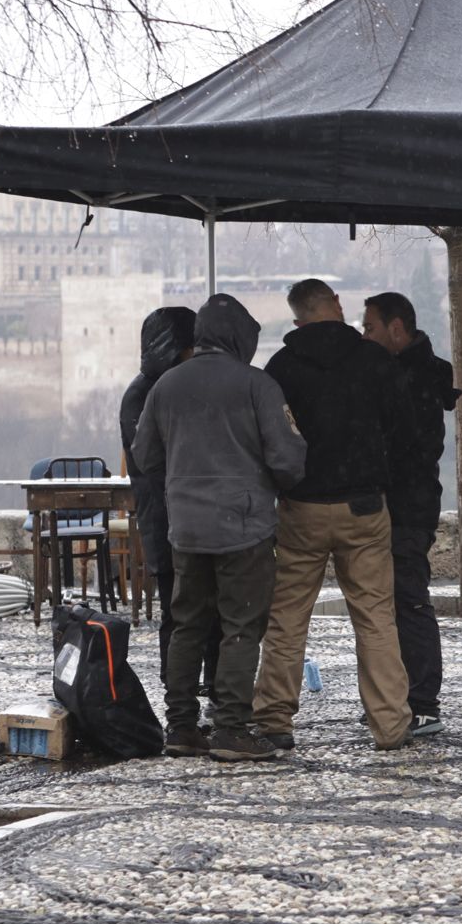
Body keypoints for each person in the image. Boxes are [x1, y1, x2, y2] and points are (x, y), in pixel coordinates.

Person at [130, 294, 307, 762]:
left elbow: (144, 456)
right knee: (241, 626)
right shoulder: (257, 385)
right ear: (240, 338)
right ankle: (230, 727)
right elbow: (287, 460)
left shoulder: (165, 386)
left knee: (187, 625)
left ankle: (181, 728)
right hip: (243, 528)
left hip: (186, 529)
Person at [254, 278, 417, 751]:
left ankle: (274, 720)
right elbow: (404, 433)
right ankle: (389, 725)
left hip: (302, 506)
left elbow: (272, 441)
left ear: (297, 318)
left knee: (288, 617)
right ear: (339, 306)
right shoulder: (376, 361)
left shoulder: (281, 366)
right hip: (364, 506)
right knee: (375, 617)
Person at [362, 291, 459, 733]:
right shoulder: (413, 373)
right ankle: (401, 697)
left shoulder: (410, 378)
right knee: (395, 601)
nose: (366, 336)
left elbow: (408, 449)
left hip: (406, 507)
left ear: (396, 329)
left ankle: (421, 700)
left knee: (408, 600)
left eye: (371, 328)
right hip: (405, 503)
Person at [118, 306, 218, 695]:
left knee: (196, 609)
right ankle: (179, 685)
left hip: (177, 514)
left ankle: (196, 682)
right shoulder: (145, 395)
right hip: (167, 516)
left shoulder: (153, 390)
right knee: (179, 611)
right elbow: (152, 461)